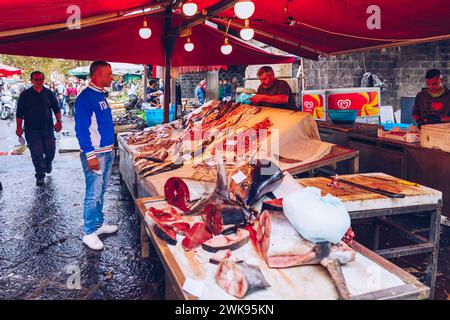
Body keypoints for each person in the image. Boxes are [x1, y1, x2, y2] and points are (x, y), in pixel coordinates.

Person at [74, 61, 117, 250]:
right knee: (93, 193)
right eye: (109, 74)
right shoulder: (85, 97)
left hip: (107, 151)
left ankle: (99, 225)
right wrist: (90, 155)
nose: (112, 77)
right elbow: (81, 129)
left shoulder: (100, 94)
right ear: (98, 75)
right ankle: (89, 231)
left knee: (101, 191)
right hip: (96, 154)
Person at [16, 71, 62, 186]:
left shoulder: (49, 93)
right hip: (32, 130)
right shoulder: (25, 95)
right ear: (31, 81)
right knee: (37, 153)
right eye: (36, 79)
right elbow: (19, 113)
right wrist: (18, 128)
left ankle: (48, 163)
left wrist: (59, 122)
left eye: (41, 79)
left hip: (48, 129)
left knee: (50, 151)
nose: (39, 81)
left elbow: (56, 109)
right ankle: (40, 175)